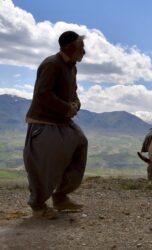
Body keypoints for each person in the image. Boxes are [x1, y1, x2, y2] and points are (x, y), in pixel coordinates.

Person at [23, 31, 88, 219]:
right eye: (81, 47)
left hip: (63, 122)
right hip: (44, 123)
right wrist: (65, 108)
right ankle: (38, 206)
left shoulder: (71, 67)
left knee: (80, 143)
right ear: (70, 48)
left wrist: (75, 103)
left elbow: (73, 93)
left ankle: (60, 196)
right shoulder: (52, 64)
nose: (84, 51)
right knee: (45, 164)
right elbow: (43, 94)